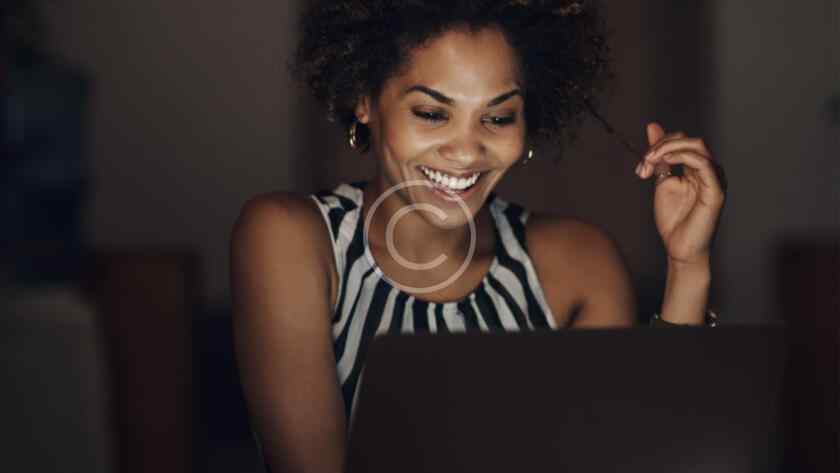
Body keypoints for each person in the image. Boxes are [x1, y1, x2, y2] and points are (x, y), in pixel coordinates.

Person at [229, 1, 726, 472]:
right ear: (365, 100)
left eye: (497, 117)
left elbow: (636, 458)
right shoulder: (291, 241)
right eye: (431, 113)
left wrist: (687, 265)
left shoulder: (578, 267)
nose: (467, 151)